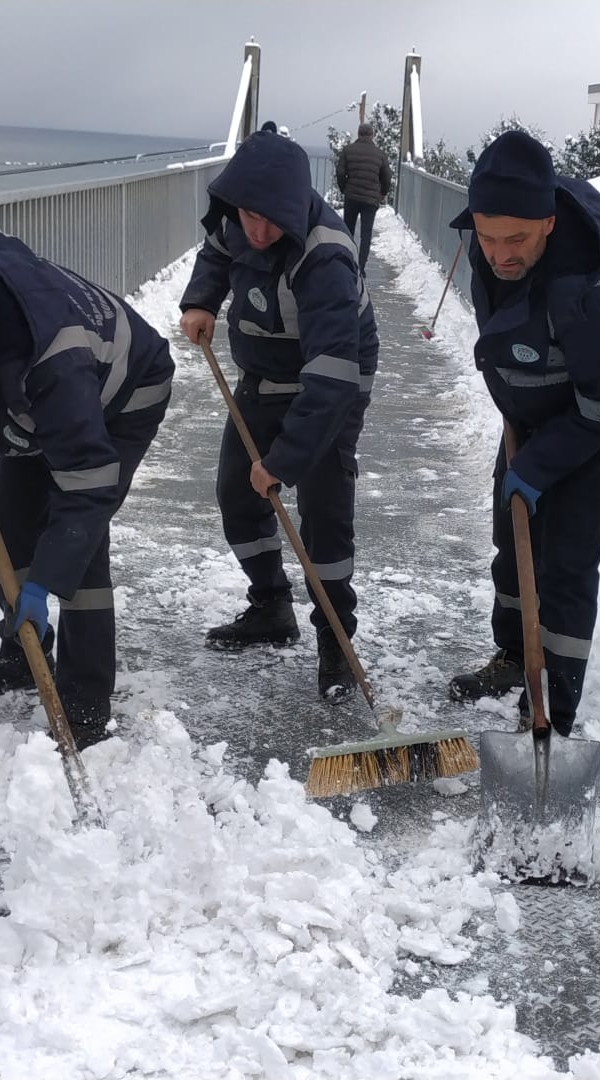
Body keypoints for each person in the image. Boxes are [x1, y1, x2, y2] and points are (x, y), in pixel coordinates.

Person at [0, 222, 175, 747]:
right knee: (12, 522)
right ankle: (24, 652)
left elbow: (86, 488)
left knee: (79, 549)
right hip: (38, 392)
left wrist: (46, 582)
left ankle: (85, 705)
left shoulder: (52, 361)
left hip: (123, 393)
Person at [443, 131, 600, 737]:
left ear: (548, 220)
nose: (500, 254)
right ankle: (515, 657)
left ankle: (551, 711)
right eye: (487, 237)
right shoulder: (494, 249)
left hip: (597, 425)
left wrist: (539, 466)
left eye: (516, 239)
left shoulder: (592, 294)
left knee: (563, 561)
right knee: (512, 541)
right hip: (533, 416)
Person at [177, 130, 379, 701]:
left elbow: (332, 381)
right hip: (264, 375)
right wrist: (201, 300)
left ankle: (336, 644)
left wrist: (284, 462)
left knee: (323, 512)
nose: (257, 231)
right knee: (237, 493)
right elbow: (217, 252)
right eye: (247, 216)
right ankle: (270, 607)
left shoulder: (326, 258)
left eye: (270, 221)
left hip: (331, 384)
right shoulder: (237, 221)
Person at [334, 122, 391, 274]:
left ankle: (347, 263)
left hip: (351, 196)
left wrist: (344, 188)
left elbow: (340, 172)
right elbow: (387, 177)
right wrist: (382, 194)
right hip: (370, 200)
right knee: (366, 235)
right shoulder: (380, 154)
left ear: (358, 134)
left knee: (348, 231)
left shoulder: (347, 151)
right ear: (372, 135)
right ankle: (361, 267)